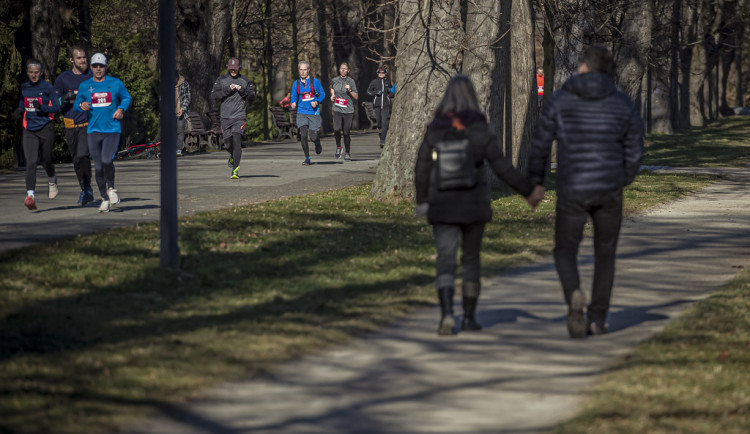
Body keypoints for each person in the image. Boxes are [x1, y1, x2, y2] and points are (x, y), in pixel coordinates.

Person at [527, 46, 644, 338]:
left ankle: (574, 294)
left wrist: (536, 183)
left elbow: (540, 143)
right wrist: (624, 177)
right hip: (609, 188)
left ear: (582, 68)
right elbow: (635, 146)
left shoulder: (561, 100)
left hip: (573, 187)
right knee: (605, 253)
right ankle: (597, 319)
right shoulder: (622, 103)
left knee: (565, 250)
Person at [414, 75, 544, 336]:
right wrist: (528, 191)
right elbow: (503, 167)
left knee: (446, 259)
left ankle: (447, 314)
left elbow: (422, 169)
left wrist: (423, 202)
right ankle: (470, 318)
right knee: (471, 260)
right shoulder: (480, 129)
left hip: (443, 205)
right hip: (473, 205)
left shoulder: (435, 129)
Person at [73, 52, 132, 213]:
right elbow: (76, 104)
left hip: (112, 129)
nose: (98, 69)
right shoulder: (85, 85)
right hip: (93, 131)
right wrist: (82, 104)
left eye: (101, 66)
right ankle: (104, 198)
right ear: (91, 67)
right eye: (95, 66)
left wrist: (121, 109)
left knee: (107, 160)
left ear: (106, 67)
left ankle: (111, 188)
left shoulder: (115, 83)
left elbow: (126, 97)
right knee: (98, 167)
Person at [16, 58, 61, 210]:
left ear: (41, 72)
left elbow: (57, 108)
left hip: (45, 127)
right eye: (31, 73)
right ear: (27, 72)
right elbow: (23, 104)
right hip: (29, 129)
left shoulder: (47, 87)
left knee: (46, 160)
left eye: (36, 73)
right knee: (31, 162)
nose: (34, 75)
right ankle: (30, 195)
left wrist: (42, 108)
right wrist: (19, 110)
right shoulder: (24, 87)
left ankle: (52, 179)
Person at [54, 45, 94, 206]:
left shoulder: (92, 76)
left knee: (83, 154)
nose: (83, 60)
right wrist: (64, 98)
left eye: (84, 57)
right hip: (70, 124)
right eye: (79, 58)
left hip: (88, 122)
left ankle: (89, 188)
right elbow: (54, 104)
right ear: (71, 60)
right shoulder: (63, 79)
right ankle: (85, 189)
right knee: (77, 159)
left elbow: (103, 95)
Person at [210, 57, 255, 179]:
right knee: (228, 144)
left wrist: (242, 91)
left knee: (236, 141)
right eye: (231, 69)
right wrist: (227, 90)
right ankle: (232, 156)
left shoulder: (244, 80)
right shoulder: (222, 79)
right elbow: (213, 95)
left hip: (239, 116)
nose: (233, 72)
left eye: (235, 69)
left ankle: (235, 170)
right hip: (225, 117)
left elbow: (251, 97)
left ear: (239, 68)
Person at [290, 61, 325, 165]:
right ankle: (307, 158)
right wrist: (293, 102)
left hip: (313, 112)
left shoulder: (315, 82)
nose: (303, 72)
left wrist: (317, 101)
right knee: (303, 135)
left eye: (305, 70)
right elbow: (293, 96)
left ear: (308, 70)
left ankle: (317, 142)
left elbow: (322, 94)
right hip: (301, 112)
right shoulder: (296, 83)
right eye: (301, 70)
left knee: (313, 137)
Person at [329, 62, 358, 161]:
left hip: (348, 110)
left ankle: (347, 152)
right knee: (336, 129)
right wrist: (332, 96)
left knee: (346, 132)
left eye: (345, 69)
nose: (343, 70)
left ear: (348, 71)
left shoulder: (351, 81)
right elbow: (332, 88)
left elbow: (356, 96)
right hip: (337, 109)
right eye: (341, 68)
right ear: (339, 69)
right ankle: (339, 147)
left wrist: (349, 90)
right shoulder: (335, 80)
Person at [367, 67, 394, 148]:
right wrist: (375, 93)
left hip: (385, 105)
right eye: (379, 73)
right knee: (379, 123)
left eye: (382, 73)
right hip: (377, 105)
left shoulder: (388, 82)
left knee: (384, 123)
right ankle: (380, 134)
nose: (381, 74)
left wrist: (390, 92)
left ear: (385, 73)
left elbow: (392, 93)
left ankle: (383, 141)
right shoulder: (374, 82)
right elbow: (368, 91)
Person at [175, 70, 191, 157]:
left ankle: (178, 149)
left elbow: (187, 98)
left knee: (180, 130)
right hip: (170, 111)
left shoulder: (184, 84)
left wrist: (183, 108)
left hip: (181, 110)